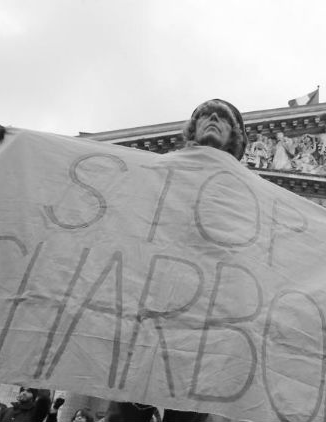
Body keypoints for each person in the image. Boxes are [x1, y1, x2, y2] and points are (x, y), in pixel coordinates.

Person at [105, 98, 249, 422]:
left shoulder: (249, 192)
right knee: (125, 411)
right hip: (150, 307)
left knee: (188, 415)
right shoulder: (161, 169)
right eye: (205, 115)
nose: (212, 118)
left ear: (236, 137)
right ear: (192, 128)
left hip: (203, 321)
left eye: (222, 118)